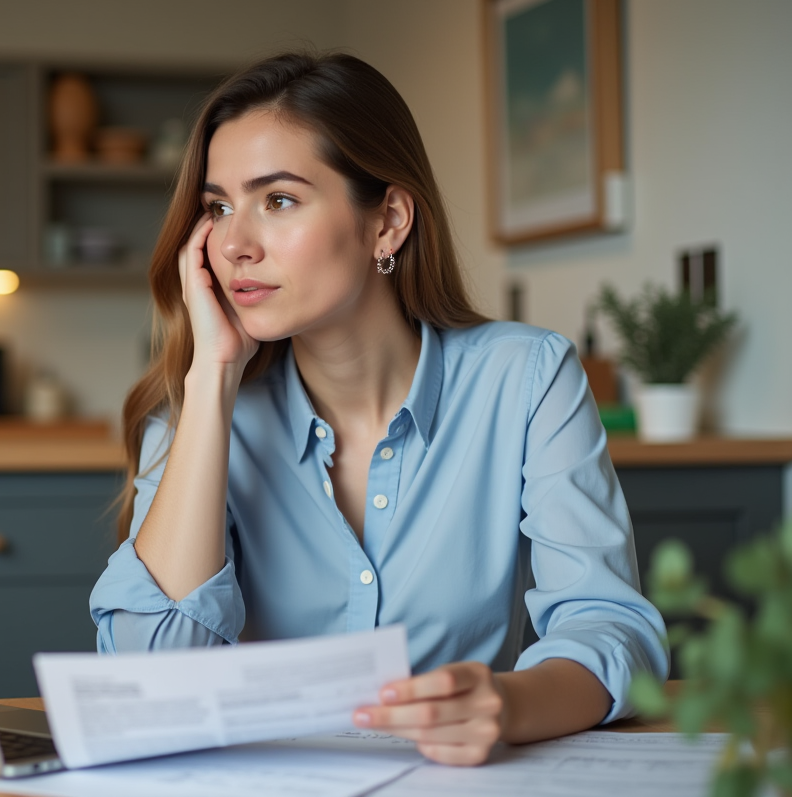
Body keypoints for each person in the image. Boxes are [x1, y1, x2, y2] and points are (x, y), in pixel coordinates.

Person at [89, 51, 668, 766]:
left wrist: (507, 704)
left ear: (387, 221)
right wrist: (210, 378)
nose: (234, 243)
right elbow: (151, 679)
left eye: (277, 200)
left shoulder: (525, 379)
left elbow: (610, 625)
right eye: (218, 207)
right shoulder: (197, 417)